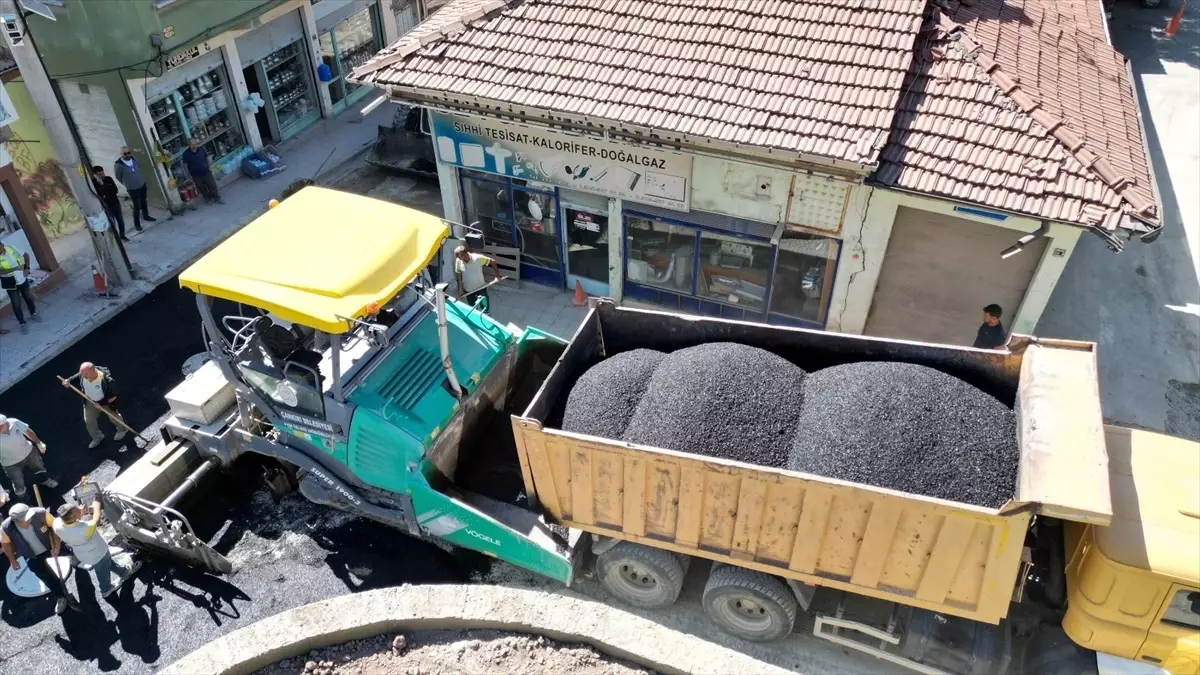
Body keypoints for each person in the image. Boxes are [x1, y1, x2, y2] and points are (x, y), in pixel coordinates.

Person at [1, 502, 80, 614]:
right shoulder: (6, 528)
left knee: (66, 549)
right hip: (31, 555)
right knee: (45, 576)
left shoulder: (41, 513)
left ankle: (73, 557)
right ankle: (60, 596)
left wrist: (56, 546)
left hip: (50, 544)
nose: (30, 520)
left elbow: (55, 527)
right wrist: (12, 560)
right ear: (15, 521)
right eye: (25, 519)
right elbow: (6, 544)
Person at [53, 500, 139, 600]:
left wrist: (79, 513)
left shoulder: (57, 524)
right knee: (102, 571)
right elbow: (96, 520)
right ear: (73, 517)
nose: (80, 508)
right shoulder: (84, 528)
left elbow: (57, 527)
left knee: (107, 563)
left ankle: (124, 572)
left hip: (84, 553)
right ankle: (106, 589)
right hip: (97, 553)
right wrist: (96, 506)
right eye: (77, 510)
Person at [62, 362, 127, 449]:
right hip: (90, 400)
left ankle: (122, 430)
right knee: (89, 420)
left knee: (113, 416)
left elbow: (113, 396)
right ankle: (97, 437)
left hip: (105, 401)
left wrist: (101, 403)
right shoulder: (83, 375)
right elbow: (78, 376)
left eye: (86, 374)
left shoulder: (107, 380)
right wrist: (69, 380)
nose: (83, 376)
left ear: (93, 370)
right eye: (82, 374)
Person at [0, 414, 57, 499]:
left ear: (5, 422)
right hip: (10, 463)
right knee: (17, 479)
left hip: (28, 452)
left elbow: (27, 432)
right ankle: (21, 495)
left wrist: (39, 443)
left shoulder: (14, 422)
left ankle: (45, 480)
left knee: (39, 468)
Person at [0, 241, 42, 334]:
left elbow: (26, 255)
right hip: (9, 283)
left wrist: (27, 268)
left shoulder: (11, 248)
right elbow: (1, 272)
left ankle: (33, 313)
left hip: (22, 278)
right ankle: (22, 323)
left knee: (28, 297)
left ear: (2, 245)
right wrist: (14, 269)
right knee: (16, 304)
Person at [113, 146, 156, 233]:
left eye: (129, 152)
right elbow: (118, 177)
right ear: (121, 154)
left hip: (142, 185)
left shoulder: (134, 159)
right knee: (137, 206)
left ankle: (146, 216)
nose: (128, 155)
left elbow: (138, 168)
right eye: (125, 154)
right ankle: (137, 224)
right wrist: (128, 183)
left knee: (144, 201)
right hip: (132, 189)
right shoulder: (118, 165)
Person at [454, 246, 501, 313]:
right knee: (473, 309)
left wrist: (497, 276)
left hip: (481, 288)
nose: (459, 260)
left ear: (465, 254)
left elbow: (493, 262)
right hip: (468, 290)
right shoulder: (459, 261)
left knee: (485, 308)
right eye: (458, 258)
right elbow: (458, 274)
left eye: (460, 257)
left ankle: (487, 317)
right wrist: (460, 289)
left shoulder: (478, 258)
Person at [181, 138, 223, 205]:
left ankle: (217, 198)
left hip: (206, 172)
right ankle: (208, 199)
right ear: (189, 145)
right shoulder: (186, 154)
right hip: (196, 175)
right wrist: (188, 175)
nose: (194, 146)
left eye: (195, 144)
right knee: (202, 189)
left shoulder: (201, 149)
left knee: (213, 186)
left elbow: (206, 157)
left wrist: (209, 166)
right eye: (192, 145)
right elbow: (185, 165)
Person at [91, 165, 128, 242]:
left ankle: (123, 236)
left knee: (120, 220)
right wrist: (102, 185)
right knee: (112, 224)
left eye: (103, 173)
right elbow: (100, 194)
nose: (102, 175)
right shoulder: (94, 183)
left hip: (115, 202)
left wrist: (105, 186)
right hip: (107, 206)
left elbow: (115, 190)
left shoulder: (108, 179)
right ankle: (115, 239)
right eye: (100, 174)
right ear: (95, 175)